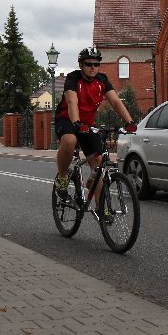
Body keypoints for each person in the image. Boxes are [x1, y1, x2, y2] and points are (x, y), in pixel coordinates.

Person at [53, 47, 137, 219]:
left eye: (96, 64)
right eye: (88, 64)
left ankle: (101, 208)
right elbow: (71, 101)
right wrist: (76, 123)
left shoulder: (102, 80)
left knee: (99, 163)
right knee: (69, 140)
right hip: (67, 119)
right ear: (81, 65)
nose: (93, 67)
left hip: (88, 124)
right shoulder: (73, 78)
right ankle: (62, 179)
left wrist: (129, 122)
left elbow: (115, 101)